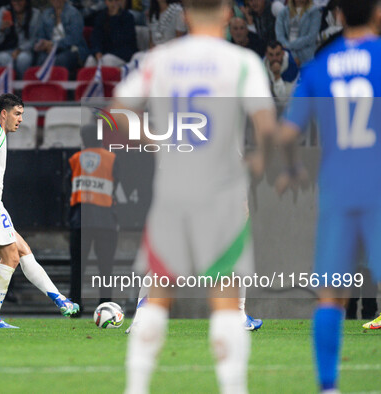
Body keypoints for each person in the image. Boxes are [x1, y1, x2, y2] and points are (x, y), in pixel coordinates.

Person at [113, 0, 276, 392]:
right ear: (226, 14)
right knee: (223, 300)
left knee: (156, 298)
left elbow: (117, 114)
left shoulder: (161, 59)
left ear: (184, 17)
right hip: (220, 192)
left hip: (173, 191)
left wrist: (159, 142)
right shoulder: (242, 62)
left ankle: (136, 387)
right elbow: (266, 125)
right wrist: (256, 164)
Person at [278, 0, 381, 390]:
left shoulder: (318, 68)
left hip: (338, 189)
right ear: (377, 13)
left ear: (337, 15)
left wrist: (291, 169)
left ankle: (328, 385)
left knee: (331, 295)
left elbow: (288, 134)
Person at [0, 93, 80, 328]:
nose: (21, 119)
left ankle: (60, 299)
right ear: (4, 113)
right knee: (11, 257)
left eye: (22, 114)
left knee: (23, 250)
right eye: (17, 113)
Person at [68, 124, 119, 313]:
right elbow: (117, 185)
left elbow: (68, 188)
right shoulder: (111, 158)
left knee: (77, 268)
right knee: (106, 268)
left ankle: (75, 307)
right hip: (106, 221)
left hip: (80, 221)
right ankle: (106, 307)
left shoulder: (75, 159)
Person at [35, 0, 89, 75]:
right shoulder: (45, 14)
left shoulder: (74, 14)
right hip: (50, 49)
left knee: (60, 60)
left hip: (72, 49)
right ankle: (43, 86)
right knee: (41, 59)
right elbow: (41, 36)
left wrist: (54, 45)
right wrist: (44, 45)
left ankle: (59, 85)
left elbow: (74, 38)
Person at [0, 0, 41, 79]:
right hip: (5, 49)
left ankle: (21, 88)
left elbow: (34, 39)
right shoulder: (3, 11)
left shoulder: (35, 14)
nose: (17, 2)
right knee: (4, 58)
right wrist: (1, 29)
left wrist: (20, 49)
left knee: (23, 59)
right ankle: (7, 88)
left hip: (25, 50)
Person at [84, 0, 137, 67]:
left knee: (107, 60)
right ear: (106, 2)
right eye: (110, 1)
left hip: (123, 54)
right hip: (105, 52)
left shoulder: (128, 17)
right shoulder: (101, 17)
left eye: (116, 1)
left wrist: (114, 18)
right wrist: (97, 51)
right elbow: (96, 37)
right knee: (90, 60)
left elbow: (122, 40)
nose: (114, 3)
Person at [275, 0, 322, 66]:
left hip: (309, 58)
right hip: (288, 58)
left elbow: (311, 38)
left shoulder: (314, 12)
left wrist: (289, 46)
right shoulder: (283, 13)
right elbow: (280, 37)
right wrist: (293, 56)